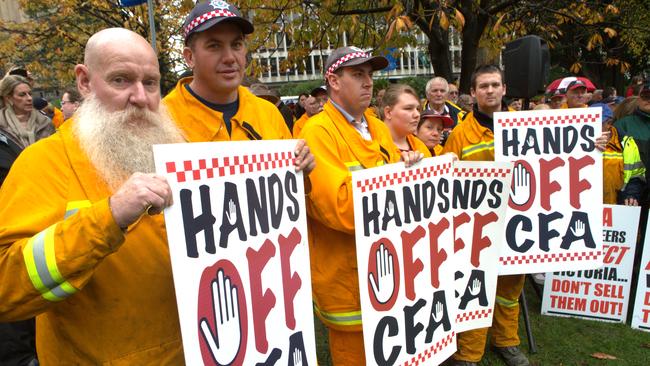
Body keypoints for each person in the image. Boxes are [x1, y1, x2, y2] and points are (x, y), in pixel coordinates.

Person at [0, 27, 191, 363]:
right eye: (120, 80)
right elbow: (5, 289)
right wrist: (109, 216)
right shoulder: (43, 162)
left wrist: (291, 168)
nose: (141, 97)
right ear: (85, 82)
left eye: (150, 82)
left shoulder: (177, 152)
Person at [301, 46, 423, 365]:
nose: (368, 82)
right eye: (357, 75)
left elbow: (392, 180)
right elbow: (340, 208)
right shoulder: (317, 132)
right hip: (347, 280)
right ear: (334, 81)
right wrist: (399, 186)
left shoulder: (379, 128)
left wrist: (407, 168)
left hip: (388, 269)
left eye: (369, 75)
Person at [442, 64, 530, 366]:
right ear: (472, 93)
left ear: (504, 88)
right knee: (474, 289)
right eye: (483, 86)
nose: (490, 90)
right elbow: (445, 180)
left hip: (519, 223)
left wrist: (590, 146)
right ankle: (469, 353)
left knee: (510, 288)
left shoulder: (526, 125)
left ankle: (507, 341)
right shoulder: (460, 134)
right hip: (475, 228)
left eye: (495, 85)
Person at [163, 0, 314, 173]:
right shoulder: (162, 120)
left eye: (236, 45)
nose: (229, 57)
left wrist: (302, 174)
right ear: (190, 57)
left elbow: (290, 195)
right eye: (214, 46)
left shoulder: (268, 114)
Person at [0, 75, 54, 150]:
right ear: (8, 98)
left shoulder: (45, 123)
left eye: (30, 94)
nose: (29, 98)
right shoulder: (2, 126)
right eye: (22, 95)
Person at [382, 83, 431, 155]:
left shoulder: (420, 147)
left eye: (418, 109)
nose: (417, 114)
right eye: (408, 108)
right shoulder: (374, 145)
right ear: (388, 112)